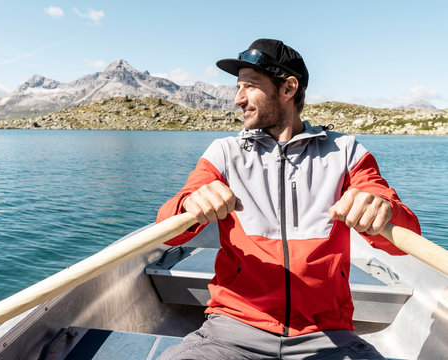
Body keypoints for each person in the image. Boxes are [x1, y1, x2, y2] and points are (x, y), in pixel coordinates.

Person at [156, 39, 421, 360]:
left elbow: (402, 241)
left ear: (288, 88)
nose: (238, 99)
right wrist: (190, 205)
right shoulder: (223, 153)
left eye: (250, 87)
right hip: (233, 329)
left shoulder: (347, 153)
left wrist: (383, 209)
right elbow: (169, 232)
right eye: (238, 87)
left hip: (328, 335)